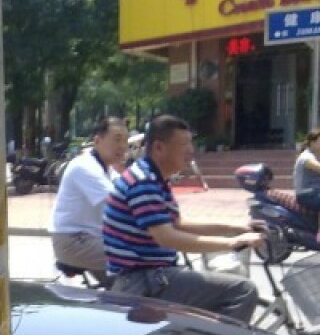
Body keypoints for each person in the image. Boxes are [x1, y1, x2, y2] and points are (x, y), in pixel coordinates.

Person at [103, 114, 262, 322]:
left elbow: (178, 225)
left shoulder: (154, 178)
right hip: (143, 282)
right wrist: (233, 243)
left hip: (153, 277)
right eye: (183, 144)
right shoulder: (144, 182)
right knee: (242, 291)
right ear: (159, 148)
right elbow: (167, 237)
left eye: (191, 143)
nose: (190, 150)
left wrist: (238, 228)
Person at [48, 116, 129, 281]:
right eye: (117, 139)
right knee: (136, 256)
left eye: (125, 141)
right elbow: (121, 203)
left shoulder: (106, 169)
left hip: (91, 239)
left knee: (123, 279)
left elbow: (129, 190)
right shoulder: (85, 167)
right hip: (74, 242)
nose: (122, 146)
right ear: (98, 140)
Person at [294, 128, 320, 212]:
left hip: (313, 193)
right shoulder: (306, 157)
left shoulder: (311, 155)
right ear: (312, 142)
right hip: (307, 195)